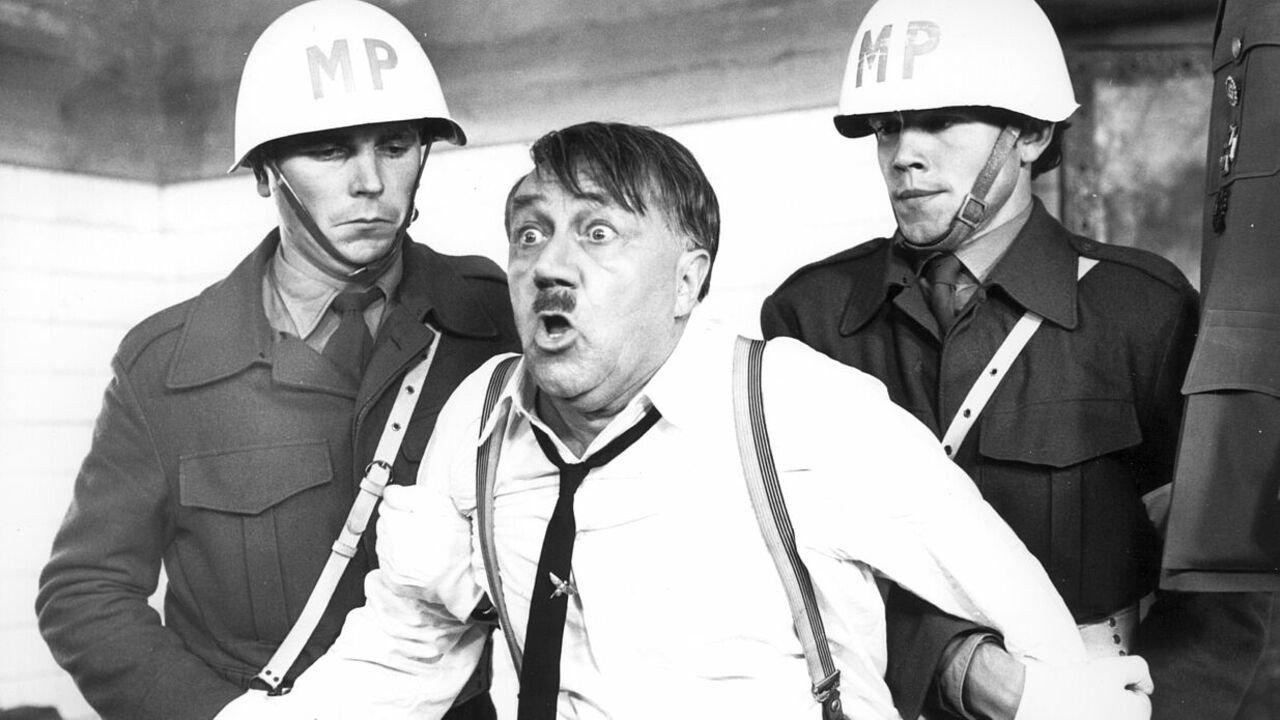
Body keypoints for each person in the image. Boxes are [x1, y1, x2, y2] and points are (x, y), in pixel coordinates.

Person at [229, 121, 1156, 719]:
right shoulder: (479, 420)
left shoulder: (795, 407)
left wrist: (1067, 701)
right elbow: (403, 652)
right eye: (530, 233)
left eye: (598, 233)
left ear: (687, 279)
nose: (550, 265)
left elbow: (1018, 610)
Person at [761, 0, 1273, 717]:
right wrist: (958, 667)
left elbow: (1219, 582)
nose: (903, 155)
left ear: (1030, 133)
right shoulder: (811, 318)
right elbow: (793, 559)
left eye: (941, 121)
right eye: (886, 128)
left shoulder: (1140, 310)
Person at [34, 2, 517, 719]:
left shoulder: (491, 318)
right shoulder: (164, 365)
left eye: (394, 146)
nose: (370, 181)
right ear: (265, 174)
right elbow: (85, 593)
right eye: (330, 152)